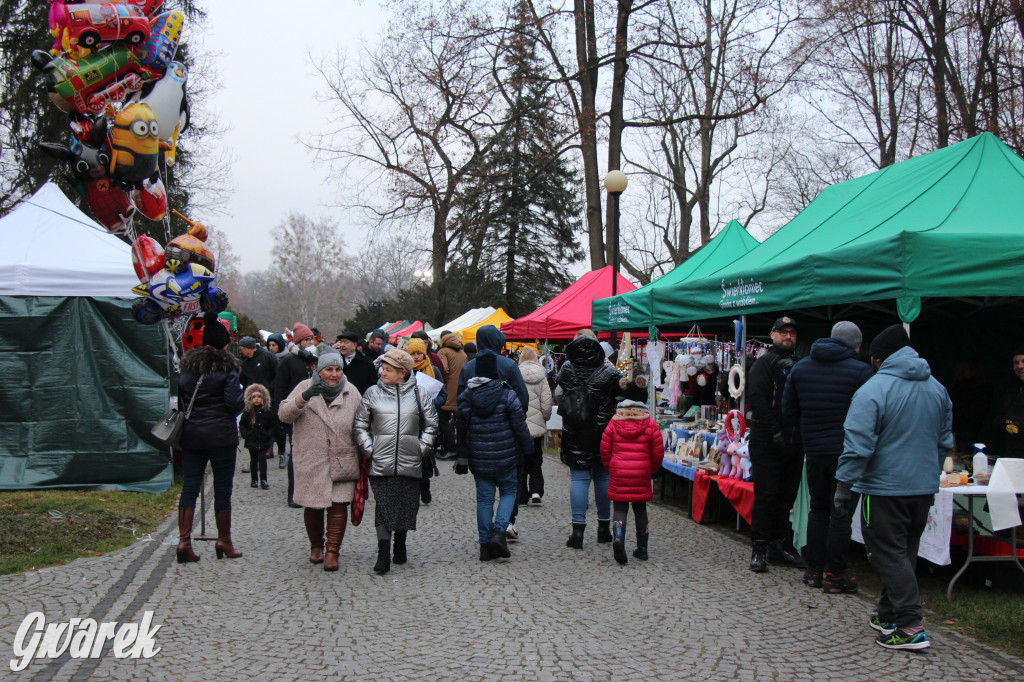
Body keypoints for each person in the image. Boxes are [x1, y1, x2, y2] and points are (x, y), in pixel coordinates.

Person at [837, 324, 952, 651]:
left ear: (877, 359)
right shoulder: (937, 388)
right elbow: (944, 440)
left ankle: (910, 624)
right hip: (923, 487)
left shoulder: (874, 390)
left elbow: (857, 445)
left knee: (886, 553)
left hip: (884, 488)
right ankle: (889, 613)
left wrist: (844, 485)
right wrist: (929, 471)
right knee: (904, 552)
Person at [782, 321, 872, 592]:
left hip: (816, 450)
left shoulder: (801, 367)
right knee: (841, 513)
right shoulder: (861, 371)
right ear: (856, 346)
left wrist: (809, 431)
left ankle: (813, 570)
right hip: (847, 451)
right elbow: (869, 414)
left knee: (818, 509)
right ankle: (835, 574)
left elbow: (789, 411)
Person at [556, 330, 647, 549]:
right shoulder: (609, 371)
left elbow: (559, 393)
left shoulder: (567, 369)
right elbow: (627, 395)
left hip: (575, 430)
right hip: (603, 431)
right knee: (603, 477)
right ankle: (604, 528)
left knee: (578, 479)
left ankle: (577, 531)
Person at [353, 349, 439, 575]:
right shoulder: (372, 393)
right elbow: (360, 424)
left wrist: (421, 448)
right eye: (383, 368)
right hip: (380, 461)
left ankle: (400, 541)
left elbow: (431, 424)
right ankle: (383, 553)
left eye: (388, 370)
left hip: (410, 461)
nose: (383, 373)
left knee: (406, 505)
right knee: (383, 506)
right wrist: (369, 449)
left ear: (403, 373)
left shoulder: (420, 394)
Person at [278, 352, 364, 571]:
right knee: (314, 505)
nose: (334, 375)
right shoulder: (304, 387)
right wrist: (303, 397)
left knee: (338, 504)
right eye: (329, 370)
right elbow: (284, 415)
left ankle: (333, 552)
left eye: (338, 370)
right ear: (318, 370)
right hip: (311, 457)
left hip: (342, 456)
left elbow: (362, 421)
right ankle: (316, 546)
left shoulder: (351, 391)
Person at [175, 313, 245, 564]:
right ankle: (224, 540)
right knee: (223, 488)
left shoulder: (187, 368)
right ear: (225, 344)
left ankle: (184, 541)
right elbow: (234, 403)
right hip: (221, 436)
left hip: (192, 435)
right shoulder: (227, 368)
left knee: (190, 486)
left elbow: (182, 401)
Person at [454, 353, 533, 561]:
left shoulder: (467, 396)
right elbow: (519, 424)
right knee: (508, 491)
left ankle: (484, 546)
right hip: (506, 454)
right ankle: (499, 533)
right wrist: (527, 447)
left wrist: (463, 446)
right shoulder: (506, 393)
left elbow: (460, 426)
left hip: (479, 457)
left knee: (485, 498)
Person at [746, 316, 804, 572]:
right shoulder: (763, 364)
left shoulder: (800, 365)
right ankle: (759, 547)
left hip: (794, 440)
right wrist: (775, 433)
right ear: (772, 335)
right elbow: (757, 399)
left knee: (786, 497)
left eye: (792, 332)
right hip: (766, 440)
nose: (788, 336)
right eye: (783, 332)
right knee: (766, 496)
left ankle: (779, 545)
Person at [600, 399, 665, 564]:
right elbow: (658, 452)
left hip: (619, 471)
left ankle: (619, 538)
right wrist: (651, 470)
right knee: (640, 510)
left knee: (620, 508)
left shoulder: (613, 424)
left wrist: (610, 468)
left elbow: (605, 449)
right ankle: (642, 548)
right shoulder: (650, 424)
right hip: (641, 472)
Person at [274, 322, 316, 502]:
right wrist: (282, 413)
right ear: (298, 341)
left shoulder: (314, 360)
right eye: (306, 340)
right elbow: (280, 389)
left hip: (314, 412)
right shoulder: (288, 362)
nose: (310, 343)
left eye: (311, 339)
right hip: (294, 411)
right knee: (296, 453)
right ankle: (294, 494)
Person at [408, 337, 445, 505]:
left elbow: (443, 395)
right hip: (408, 421)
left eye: (419, 354)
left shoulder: (434, 370)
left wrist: (430, 403)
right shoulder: (404, 372)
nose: (416, 357)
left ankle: (424, 484)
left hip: (427, 421)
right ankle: (412, 488)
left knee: (424, 456)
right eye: (413, 354)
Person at [458, 325, 529, 411]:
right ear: (498, 341)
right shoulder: (509, 365)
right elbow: (522, 397)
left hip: (474, 421)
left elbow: (461, 400)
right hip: (504, 419)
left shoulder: (467, 368)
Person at [436, 332, 469, 459]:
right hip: (461, 390)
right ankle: (461, 447)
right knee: (459, 420)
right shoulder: (462, 352)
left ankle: (451, 448)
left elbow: (444, 369)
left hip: (448, 390)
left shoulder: (443, 352)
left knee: (443, 419)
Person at [239, 383, 276, 490]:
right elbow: (242, 424)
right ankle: (254, 479)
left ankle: (263, 479)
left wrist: (268, 434)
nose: (256, 399)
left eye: (259, 397)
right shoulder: (248, 412)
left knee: (262, 459)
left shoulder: (267, 412)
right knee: (253, 460)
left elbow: (272, 425)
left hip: (263, 439)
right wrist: (245, 434)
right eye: (254, 397)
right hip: (252, 439)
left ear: (263, 398)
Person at [995, 348, 1024, 458]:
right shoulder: (1011, 391)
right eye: (1016, 363)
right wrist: (1006, 424)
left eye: (1023, 361)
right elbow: (998, 418)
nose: (1020, 366)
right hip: (1012, 457)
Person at [267, 333, 289, 458]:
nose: (271, 347)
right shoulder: (267, 358)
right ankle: (269, 447)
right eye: (269, 345)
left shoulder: (286, 359)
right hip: (269, 394)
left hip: (281, 395)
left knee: (279, 425)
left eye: (274, 345)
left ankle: (282, 450)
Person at [335, 330, 377, 395]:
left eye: (346, 342)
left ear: (354, 345)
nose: (342, 345)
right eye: (341, 342)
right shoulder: (335, 361)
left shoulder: (366, 362)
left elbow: (372, 385)